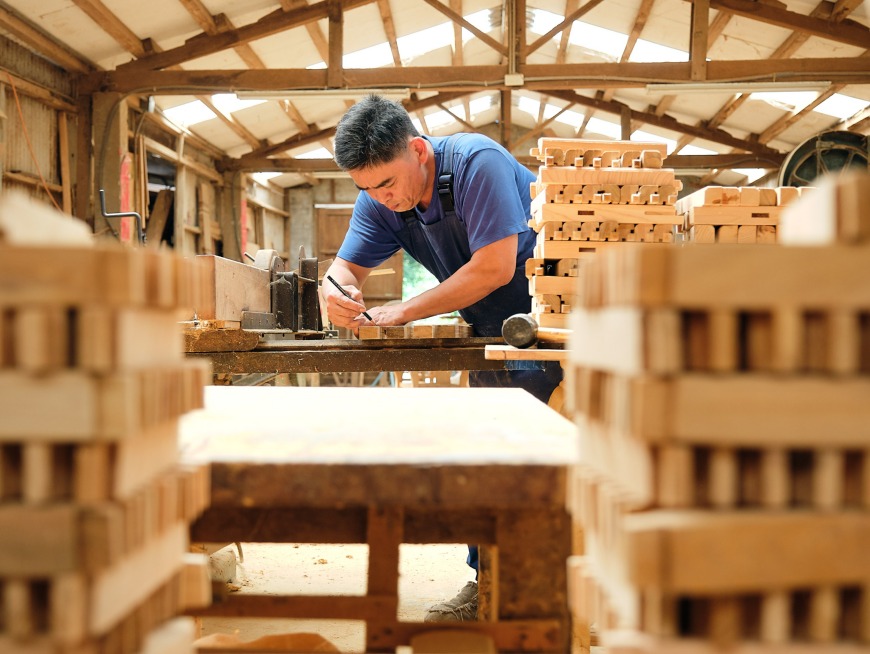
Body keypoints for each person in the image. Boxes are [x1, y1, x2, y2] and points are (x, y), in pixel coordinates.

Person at [322, 94, 563, 622]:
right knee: (484, 456)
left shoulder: (477, 163)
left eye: (387, 183)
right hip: (489, 337)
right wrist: (333, 291)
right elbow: (344, 269)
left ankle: (541, 586)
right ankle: (489, 583)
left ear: (418, 150)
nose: (380, 198)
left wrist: (404, 310)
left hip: (550, 328)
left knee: (535, 459)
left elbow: (495, 267)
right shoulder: (379, 199)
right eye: (366, 188)